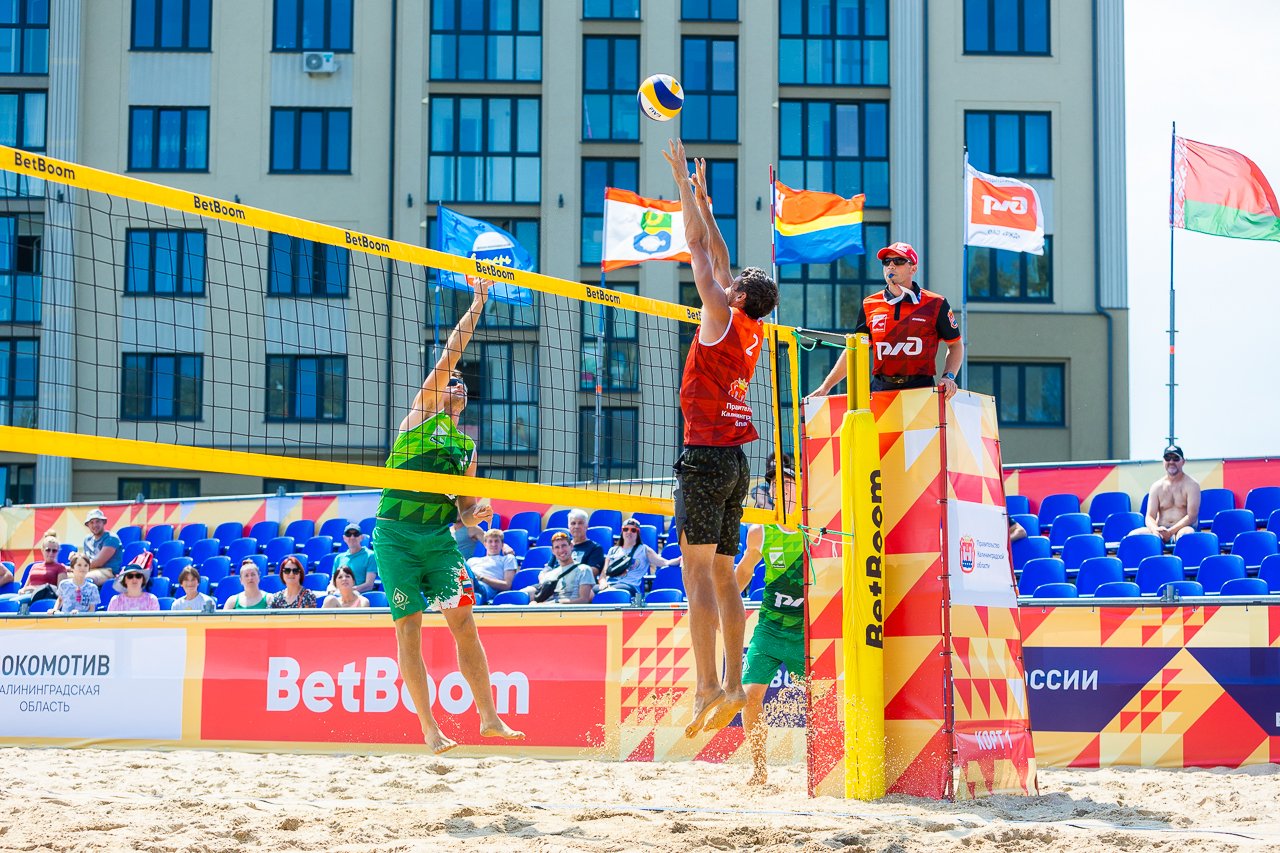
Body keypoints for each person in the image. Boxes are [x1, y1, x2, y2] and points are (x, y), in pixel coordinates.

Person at [372, 273, 523, 753]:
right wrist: (478, 302)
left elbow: (465, 512)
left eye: (461, 384)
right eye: (450, 381)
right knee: (410, 629)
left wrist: (479, 514)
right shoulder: (419, 417)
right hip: (395, 537)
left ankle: (489, 718)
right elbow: (449, 355)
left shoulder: (467, 448)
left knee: (464, 624)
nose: (455, 384)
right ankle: (430, 730)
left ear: (466, 399)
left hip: (438, 542)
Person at [663, 138, 779, 738]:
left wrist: (684, 185)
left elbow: (698, 249)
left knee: (697, 576)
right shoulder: (752, 329)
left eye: (732, 285)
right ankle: (733, 683)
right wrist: (706, 202)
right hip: (736, 460)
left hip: (705, 457)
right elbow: (719, 253)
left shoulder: (717, 311)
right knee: (727, 576)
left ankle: (708, 684)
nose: (725, 282)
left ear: (738, 297)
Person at [810, 241, 964, 399]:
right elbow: (854, 350)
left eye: (899, 261)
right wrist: (825, 387)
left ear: (913, 268)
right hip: (881, 389)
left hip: (921, 390)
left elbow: (955, 345)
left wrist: (949, 376)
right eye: (886, 261)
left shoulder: (936, 303)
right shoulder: (870, 304)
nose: (891, 265)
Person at [733, 466, 806, 785]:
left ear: (800, 489)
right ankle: (760, 769)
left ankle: (826, 764)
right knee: (749, 697)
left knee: (820, 697)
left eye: (788, 483)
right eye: (776, 485)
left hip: (805, 631)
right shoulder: (759, 532)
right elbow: (744, 571)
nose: (781, 489)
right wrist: (725, 603)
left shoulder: (813, 528)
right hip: (769, 628)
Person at [598, 518, 680, 602]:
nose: (629, 532)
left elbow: (664, 562)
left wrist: (679, 560)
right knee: (591, 592)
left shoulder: (644, 550)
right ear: (622, 531)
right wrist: (603, 583)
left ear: (638, 533)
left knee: (610, 593)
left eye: (633, 530)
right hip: (609, 584)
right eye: (626, 529)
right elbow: (603, 574)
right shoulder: (612, 550)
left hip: (629, 586)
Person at [1141, 444, 1201, 543]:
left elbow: (1192, 516)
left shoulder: (1192, 485)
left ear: (1183, 461)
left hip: (1182, 529)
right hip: (1160, 530)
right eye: (1167, 458)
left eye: (1176, 458)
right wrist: (1156, 530)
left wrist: (1170, 532)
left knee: (1186, 535)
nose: (1171, 462)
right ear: (1163, 461)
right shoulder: (1156, 486)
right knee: (1134, 535)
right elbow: (1149, 517)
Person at [525, 532, 595, 605]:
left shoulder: (584, 570)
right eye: (557, 547)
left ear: (571, 546)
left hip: (572, 610)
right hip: (549, 610)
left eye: (564, 546)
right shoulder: (549, 575)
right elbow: (543, 598)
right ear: (553, 551)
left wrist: (554, 604)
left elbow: (584, 600)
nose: (561, 550)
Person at [466, 528, 518, 601]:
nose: (493, 544)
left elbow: (507, 585)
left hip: (483, 588)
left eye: (496, 541)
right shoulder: (472, 560)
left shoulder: (507, 559)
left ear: (502, 544)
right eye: (490, 541)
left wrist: (481, 578)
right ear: (485, 544)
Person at [82, 509, 124, 587]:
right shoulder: (87, 539)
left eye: (97, 521)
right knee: (63, 575)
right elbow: (85, 559)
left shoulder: (111, 538)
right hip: (89, 569)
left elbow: (98, 562)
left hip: (108, 571)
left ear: (103, 522)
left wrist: (76, 566)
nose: (95, 525)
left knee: (84, 578)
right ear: (88, 525)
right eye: (91, 522)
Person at [333, 523, 378, 593]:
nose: (352, 537)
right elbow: (333, 582)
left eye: (356, 534)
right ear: (344, 538)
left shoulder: (370, 556)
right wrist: (331, 589)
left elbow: (369, 585)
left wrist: (347, 591)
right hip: (340, 595)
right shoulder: (339, 558)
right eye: (348, 534)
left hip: (359, 596)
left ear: (362, 537)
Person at [565, 509, 606, 577]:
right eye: (573, 523)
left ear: (586, 526)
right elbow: (548, 568)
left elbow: (593, 572)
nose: (576, 526)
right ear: (568, 526)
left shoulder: (595, 548)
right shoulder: (561, 546)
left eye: (580, 523)